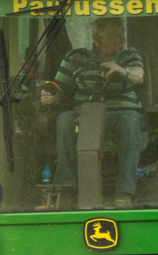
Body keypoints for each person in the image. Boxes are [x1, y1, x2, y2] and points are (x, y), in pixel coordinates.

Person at [42, 17, 147, 207]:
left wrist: (122, 71)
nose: (123, 40)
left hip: (121, 114)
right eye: (117, 36)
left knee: (132, 120)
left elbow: (138, 76)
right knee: (65, 119)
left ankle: (124, 192)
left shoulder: (130, 55)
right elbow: (58, 88)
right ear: (99, 40)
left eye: (123, 34)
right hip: (83, 116)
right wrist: (50, 96)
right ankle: (66, 188)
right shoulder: (75, 57)